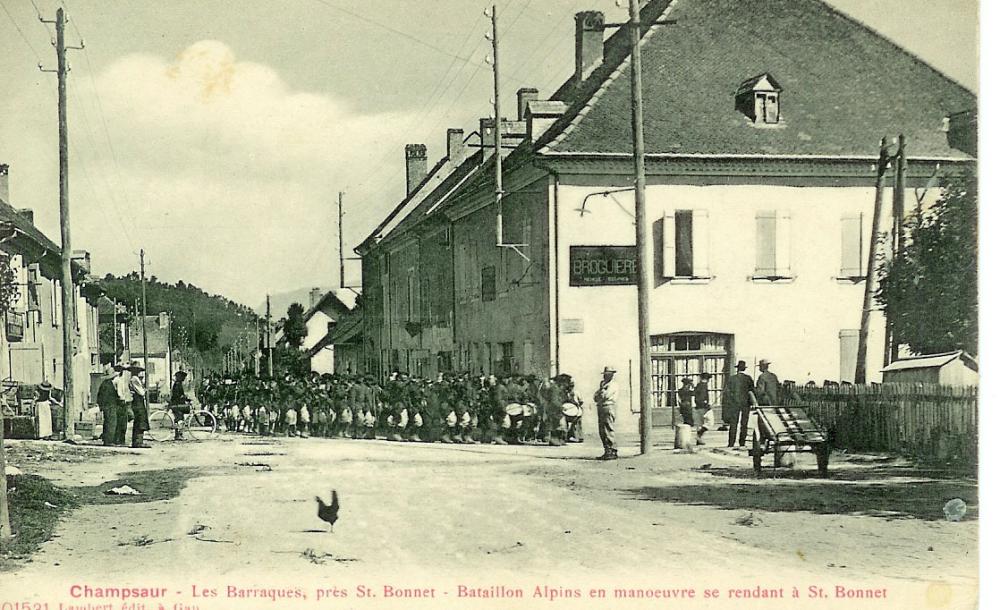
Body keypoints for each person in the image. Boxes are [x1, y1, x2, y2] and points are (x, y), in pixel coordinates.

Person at [723, 360, 755, 448]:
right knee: (744, 423)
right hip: (745, 404)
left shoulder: (732, 379)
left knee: (733, 424)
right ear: (744, 369)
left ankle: (731, 443)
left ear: (737, 369)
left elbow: (727, 393)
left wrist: (729, 403)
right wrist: (751, 403)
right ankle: (742, 442)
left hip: (734, 404)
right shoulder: (748, 378)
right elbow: (752, 391)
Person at [593, 366, 618, 460]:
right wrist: (600, 392)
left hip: (608, 406)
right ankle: (606, 449)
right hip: (601, 407)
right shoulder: (603, 384)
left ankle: (612, 449)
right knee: (602, 430)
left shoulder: (613, 385)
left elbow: (605, 396)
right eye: (605, 374)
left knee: (608, 428)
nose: (606, 376)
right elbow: (595, 397)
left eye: (608, 374)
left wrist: (601, 392)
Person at [97, 364, 123, 446]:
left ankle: (107, 439)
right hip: (109, 405)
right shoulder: (108, 385)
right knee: (111, 423)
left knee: (108, 422)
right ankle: (108, 441)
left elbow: (99, 396)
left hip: (107, 405)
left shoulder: (105, 384)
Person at [128, 364, 150, 449]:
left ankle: (138, 440)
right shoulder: (134, 379)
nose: (138, 372)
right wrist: (144, 390)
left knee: (140, 420)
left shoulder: (135, 379)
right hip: (138, 401)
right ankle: (138, 441)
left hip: (138, 401)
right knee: (140, 420)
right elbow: (141, 392)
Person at [168, 371, 192, 441]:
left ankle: (177, 435)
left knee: (179, 419)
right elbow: (177, 395)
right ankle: (179, 435)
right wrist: (185, 398)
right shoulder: (178, 384)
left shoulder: (177, 384)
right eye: (183, 377)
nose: (184, 378)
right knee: (180, 419)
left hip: (176, 403)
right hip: (177, 404)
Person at [113, 362, 132, 446]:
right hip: (120, 402)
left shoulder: (120, 380)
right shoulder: (117, 380)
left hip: (120, 401)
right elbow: (119, 393)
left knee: (121, 422)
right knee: (121, 422)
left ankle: (119, 439)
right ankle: (119, 440)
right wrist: (123, 399)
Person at [693, 372, 714, 445]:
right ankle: (699, 435)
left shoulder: (698, 385)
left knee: (700, 424)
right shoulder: (703, 386)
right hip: (703, 407)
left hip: (698, 407)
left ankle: (699, 440)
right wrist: (707, 405)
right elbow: (701, 398)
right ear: (707, 379)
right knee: (710, 422)